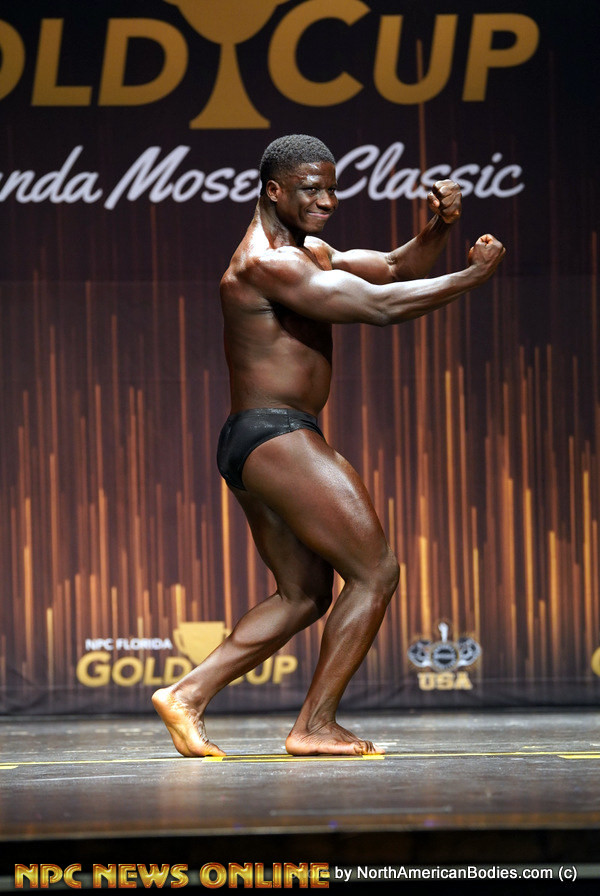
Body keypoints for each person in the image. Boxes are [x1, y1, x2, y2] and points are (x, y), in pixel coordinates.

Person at [152, 134, 505, 757]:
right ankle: (313, 726)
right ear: (274, 190)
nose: (326, 201)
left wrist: (439, 227)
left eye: (333, 188)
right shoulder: (269, 263)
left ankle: (186, 694)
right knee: (376, 571)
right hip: (278, 434)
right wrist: (471, 277)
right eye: (311, 189)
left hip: (256, 438)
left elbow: (392, 269)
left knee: (305, 594)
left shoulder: (308, 252)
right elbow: (381, 307)